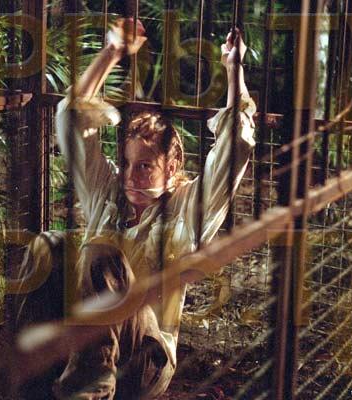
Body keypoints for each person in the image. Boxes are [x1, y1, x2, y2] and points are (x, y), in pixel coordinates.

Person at [13, 18, 256, 400]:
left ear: (171, 168)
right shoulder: (108, 193)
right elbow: (69, 118)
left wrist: (233, 69)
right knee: (49, 245)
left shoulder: (188, 207)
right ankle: (26, 381)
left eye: (144, 166)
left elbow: (236, 143)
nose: (130, 175)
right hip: (80, 347)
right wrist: (112, 52)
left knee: (100, 253)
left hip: (145, 359)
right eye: (126, 163)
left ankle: (90, 392)